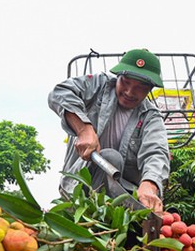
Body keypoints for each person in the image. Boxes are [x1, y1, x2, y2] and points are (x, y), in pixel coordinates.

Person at [48, 48, 170, 213]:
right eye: (125, 82)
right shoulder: (98, 85)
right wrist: (84, 129)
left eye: (140, 88)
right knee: (110, 157)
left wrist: (149, 184)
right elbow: (60, 92)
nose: (129, 92)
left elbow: (156, 152)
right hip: (78, 188)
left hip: (120, 200)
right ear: (118, 77)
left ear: (150, 89)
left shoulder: (151, 117)